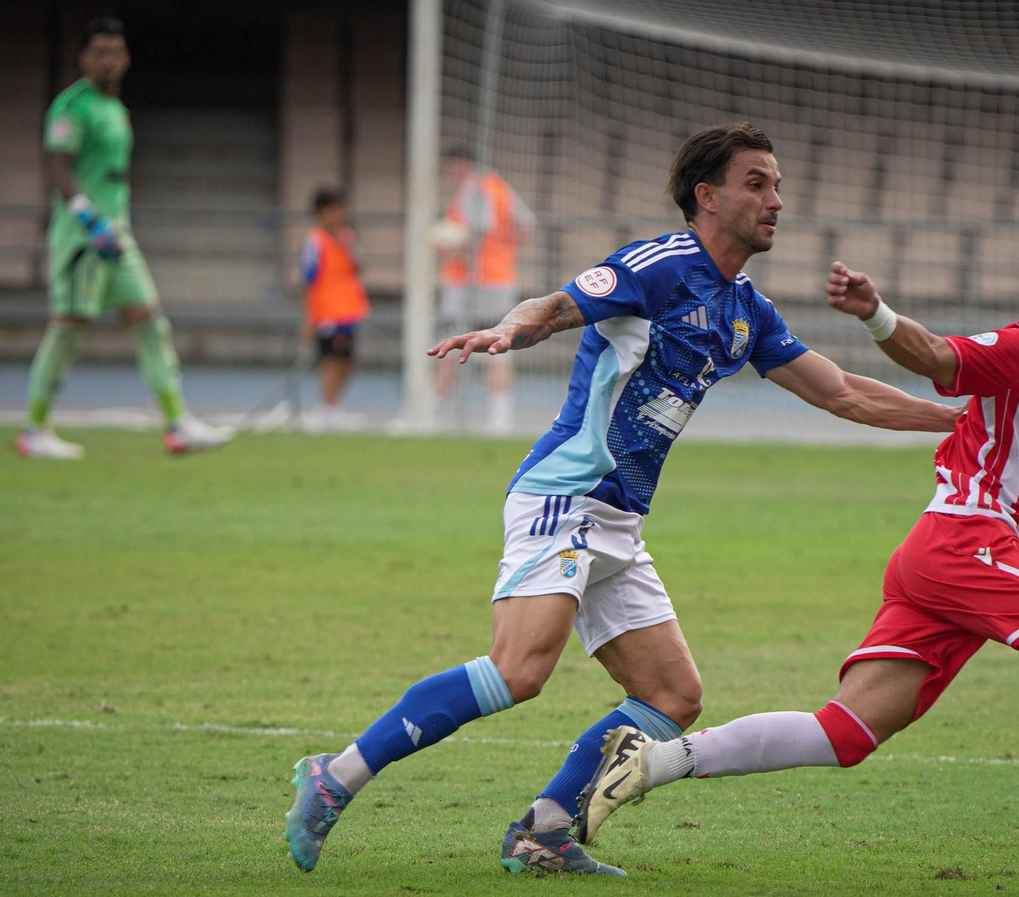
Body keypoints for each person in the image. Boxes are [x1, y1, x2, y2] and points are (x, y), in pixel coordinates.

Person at [283, 122, 960, 876]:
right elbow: (557, 304)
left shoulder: (747, 310)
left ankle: (544, 830)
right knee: (520, 669)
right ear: (707, 196)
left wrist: (962, 417)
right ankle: (334, 775)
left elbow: (843, 393)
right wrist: (509, 329)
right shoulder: (661, 265)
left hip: (619, 519)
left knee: (671, 694)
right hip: (566, 494)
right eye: (757, 184)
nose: (776, 200)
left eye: (777, 185)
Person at [574, 224, 1019, 893]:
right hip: (965, 538)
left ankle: (651, 761)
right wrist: (875, 313)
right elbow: (941, 360)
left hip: (948, 560)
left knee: (845, 733)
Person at [17, 17, 233, 459]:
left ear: (127, 58)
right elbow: (58, 169)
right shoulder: (71, 107)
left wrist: (112, 224)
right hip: (82, 237)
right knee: (69, 328)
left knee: (150, 321)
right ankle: (34, 429)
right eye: (100, 52)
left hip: (117, 235)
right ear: (84, 58)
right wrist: (89, 220)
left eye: (115, 52)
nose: (109, 61)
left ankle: (177, 424)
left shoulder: (117, 110)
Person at [433, 144, 536, 433]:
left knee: (450, 342)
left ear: (463, 163)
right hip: (500, 278)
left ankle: (433, 412)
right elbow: (527, 226)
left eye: (453, 166)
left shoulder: (474, 187)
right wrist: (503, 253)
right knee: (499, 345)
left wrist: (449, 245)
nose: (451, 173)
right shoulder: (501, 187)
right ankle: (500, 418)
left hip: (470, 282)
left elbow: (478, 228)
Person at [300, 187, 370, 431]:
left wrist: (349, 247)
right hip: (327, 312)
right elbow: (308, 281)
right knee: (330, 361)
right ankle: (326, 409)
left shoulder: (346, 237)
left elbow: (359, 266)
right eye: (333, 210)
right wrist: (308, 319)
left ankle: (332, 407)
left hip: (349, 310)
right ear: (321, 212)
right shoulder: (314, 241)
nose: (339, 215)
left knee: (348, 362)